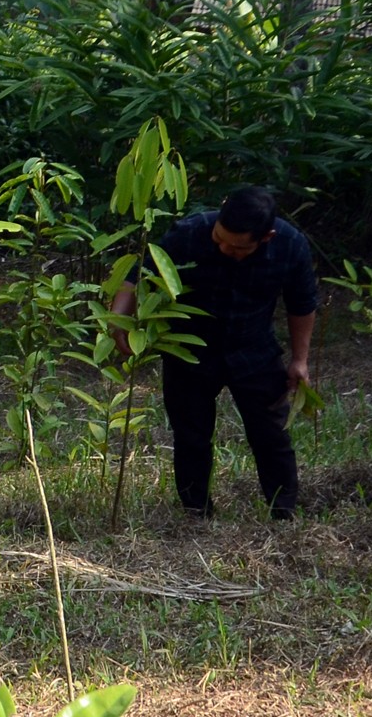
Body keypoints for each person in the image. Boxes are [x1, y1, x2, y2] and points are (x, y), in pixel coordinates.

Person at [119, 185, 317, 518]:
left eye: (237, 247)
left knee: (271, 435)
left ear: (265, 237)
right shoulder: (188, 234)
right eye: (219, 239)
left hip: (253, 349)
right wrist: (120, 325)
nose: (224, 248)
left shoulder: (290, 245)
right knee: (191, 436)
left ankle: (283, 511)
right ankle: (196, 511)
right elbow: (136, 276)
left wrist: (299, 361)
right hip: (189, 349)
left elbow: (302, 305)